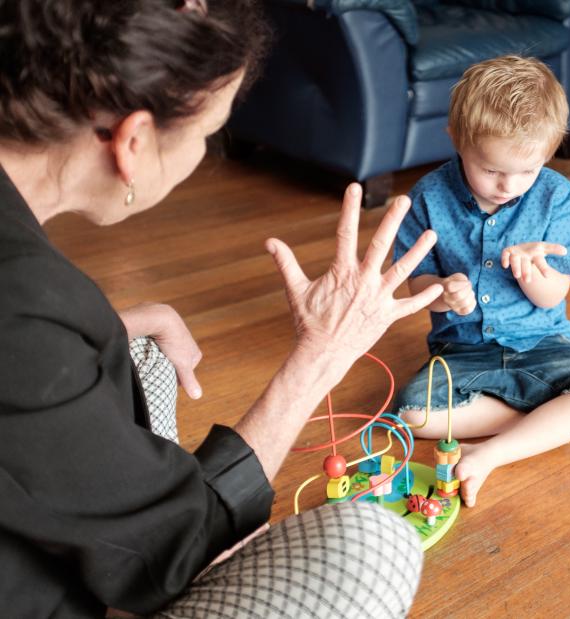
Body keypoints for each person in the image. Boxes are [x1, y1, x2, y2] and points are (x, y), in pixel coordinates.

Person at [0, 1, 444, 617]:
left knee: (144, 358)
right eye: (210, 134)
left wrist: (110, 326)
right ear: (133, 141)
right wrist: (321, 354)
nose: (206, 150)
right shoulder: (23, 309)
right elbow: (183, 546)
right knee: (374, 545)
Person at [392, 56, 570, 509]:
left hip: (544, 342)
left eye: (526, 171)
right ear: (456, 141)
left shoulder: (555, 195)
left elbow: (555, 294)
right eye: (491, 170)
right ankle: (550, 421)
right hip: (462, 350)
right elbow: (414, 284)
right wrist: (444, 291)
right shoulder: (427, 195)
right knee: (411, 414)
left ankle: (492, 452)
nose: (507, 186)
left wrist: (535, 274)